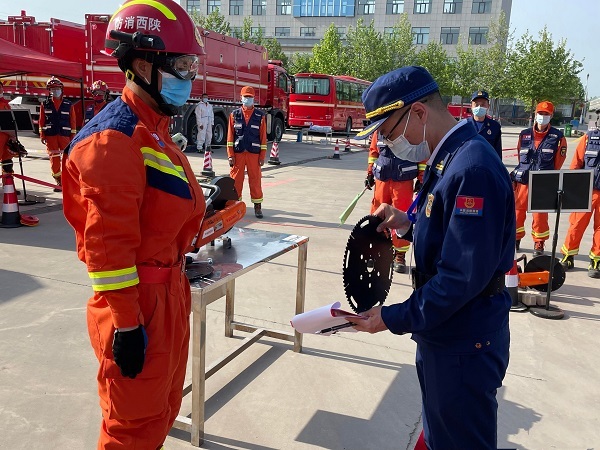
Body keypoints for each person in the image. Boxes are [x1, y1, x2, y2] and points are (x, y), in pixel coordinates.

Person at [61, 0, 206, 448]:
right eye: (181, 66)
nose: (189, 76)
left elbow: (161, 215)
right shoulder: (112, 141)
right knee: (131, 426)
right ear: (143, 65)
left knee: (160, 412)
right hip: (138, 307)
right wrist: (126, 326)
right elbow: (108, 249)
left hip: (167, 296)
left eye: (191, 65)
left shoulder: (154, 130)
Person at [350, 66, 515, 450]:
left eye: (388, 133)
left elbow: (459, 278)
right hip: (446, 333)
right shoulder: (449, 156)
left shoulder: (472, 168)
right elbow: (445, 226)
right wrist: (407, 223)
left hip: (464, 340)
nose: (387, 144)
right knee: (441, 434)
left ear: (419, 113)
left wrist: (390, 317)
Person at [512, 101, 567, 255]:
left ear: (551, 116)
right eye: (540, 113)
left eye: (546, 114)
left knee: (540, 215)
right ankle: (515, 239)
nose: (542, 116)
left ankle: (539, 243)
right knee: (517, 213)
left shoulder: (558, 137)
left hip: (542, 182)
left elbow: (558, 161)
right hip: (523, 181)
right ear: (535, 114)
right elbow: (520, 157)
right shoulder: (524, 134)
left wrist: (548, 177)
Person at [365, 129, 425, 273]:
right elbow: (373, 152)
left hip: (403, 180)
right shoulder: (379, 130)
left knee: (402, 217)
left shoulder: (412, 128)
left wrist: (421, 178)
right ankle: (376, 251)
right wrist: (369, 173)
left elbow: (421, 155)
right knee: (377, 215)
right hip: (382, 179)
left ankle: (399, 255)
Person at [560, 129, 600, 278]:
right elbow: (577, 162)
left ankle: (596, 261)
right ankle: (568, 256)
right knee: (577, 224)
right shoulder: (589, 137)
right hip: (586, 189)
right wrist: (573, 186)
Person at [227, 85, 267, 218]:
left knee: (255, 181)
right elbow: (230, 137)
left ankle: (257, 207)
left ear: (254, 98)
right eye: (246, 97)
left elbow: (263, 138)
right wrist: (230, 155)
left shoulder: (260, 116)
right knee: (235, 181)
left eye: (250, 97)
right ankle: (235, 206)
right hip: (238, 154)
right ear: (241, 98)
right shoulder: (234, 115)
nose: (248, 99)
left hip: (253, 154)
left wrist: (262, 156)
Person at [38, 76, 76, 191]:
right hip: (51, 135)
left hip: (64, 135)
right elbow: (41, 121)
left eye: (57, 88)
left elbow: (73, 121)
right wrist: (42, 135)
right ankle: (59, 180)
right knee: (54, 159)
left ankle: (68, 179)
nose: (55, 91)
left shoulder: (69, 104)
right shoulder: (45, 104)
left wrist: (73, 137)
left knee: (67, 158)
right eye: (53, 89)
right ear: (49, 90)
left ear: (61, 89)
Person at [466, 90, 503, 158]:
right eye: (476, 104)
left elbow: (497, 151)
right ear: (471, 106)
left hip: (487, 162)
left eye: (483, 104)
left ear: (488, 106)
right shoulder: (464, 126)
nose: (479, 107)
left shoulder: (495, 126)